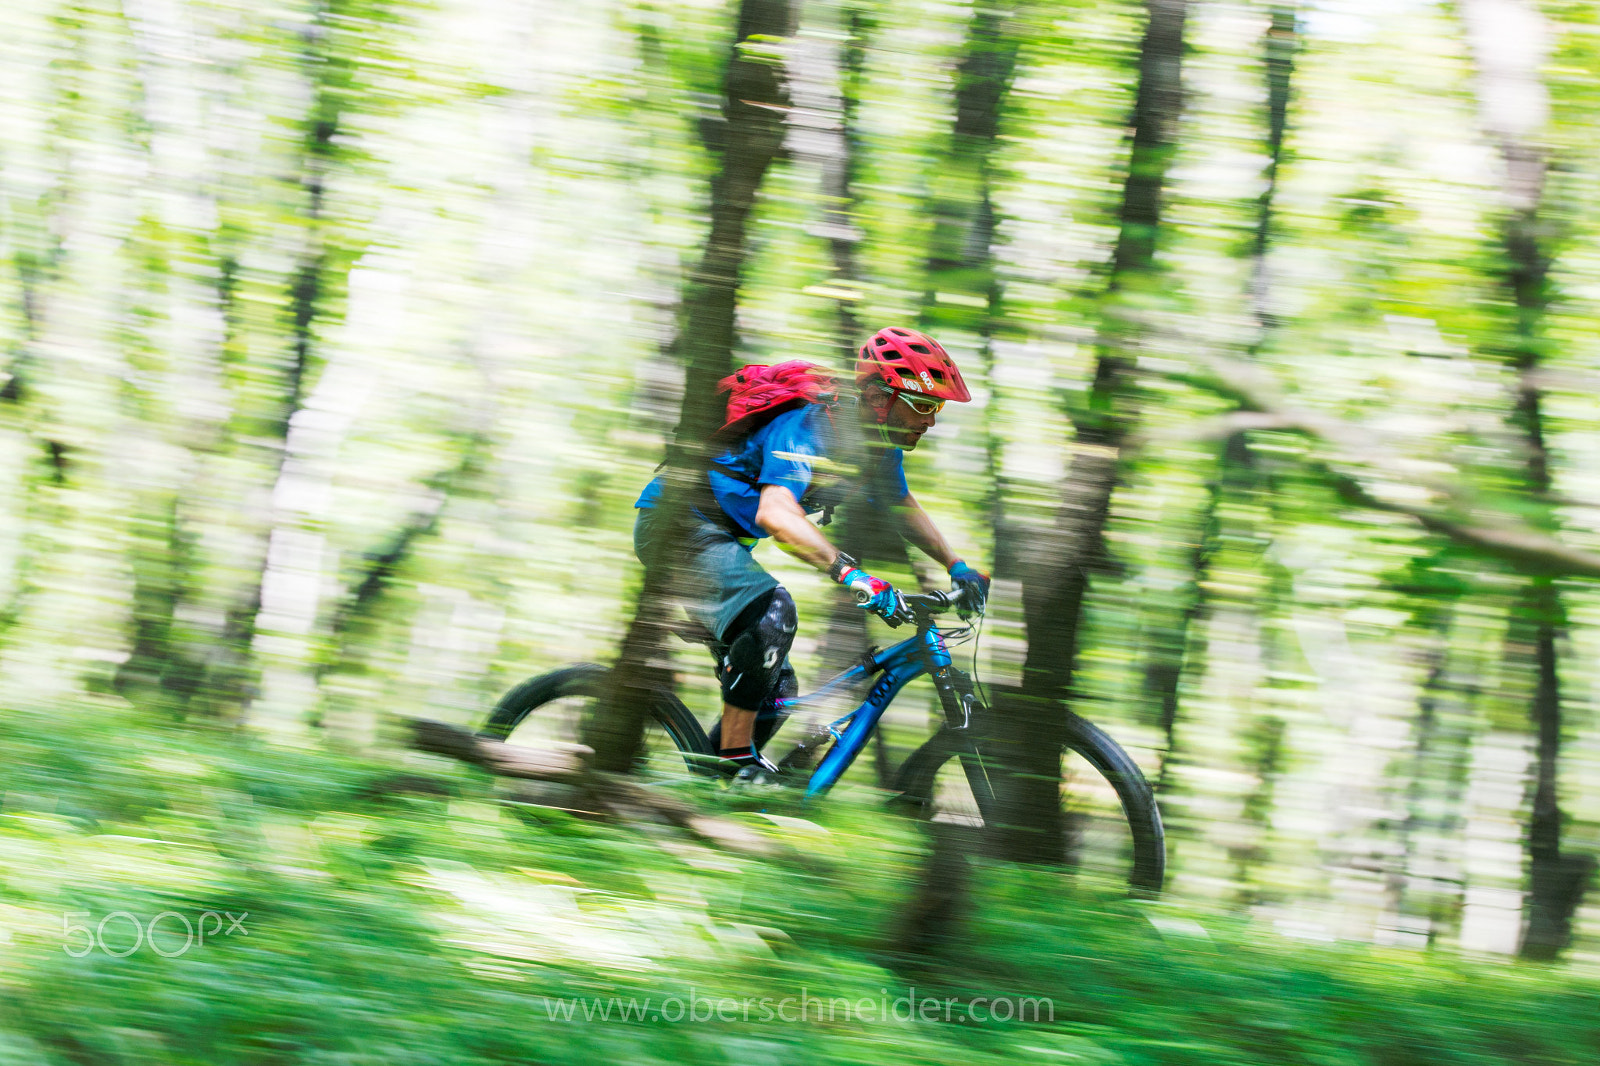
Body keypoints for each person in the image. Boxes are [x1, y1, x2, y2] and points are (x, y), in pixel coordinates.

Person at [632, 327, 991, 777]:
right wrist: (852, 574)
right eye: (922, 405)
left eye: (935, 408)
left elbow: (901, 504)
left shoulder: (878, 448)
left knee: (775, 686)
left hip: (716, 535)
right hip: (676, 524)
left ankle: (707, 780)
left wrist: (957, 566)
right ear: (880, 398)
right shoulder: (809, 426)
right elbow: (776, 514)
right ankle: (736, 765)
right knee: (773, 614)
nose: (930, 420)